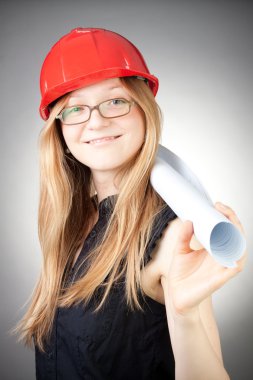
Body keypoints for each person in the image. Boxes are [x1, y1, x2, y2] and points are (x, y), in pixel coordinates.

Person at [16, 27, 247, 380]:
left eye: (114, 101)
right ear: (60, 129)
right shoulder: (76, 222)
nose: (96, 121)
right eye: (75, 108)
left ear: (144, 109)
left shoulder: (176, 235)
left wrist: (184, 317)